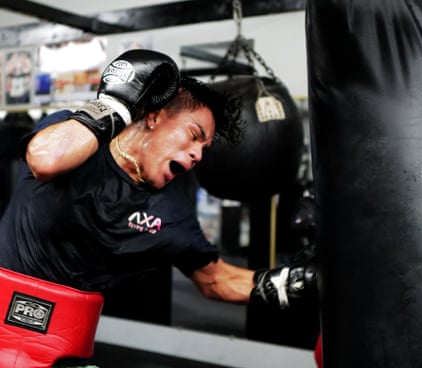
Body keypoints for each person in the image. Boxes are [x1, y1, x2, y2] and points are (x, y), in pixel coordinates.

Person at [0, 49, 316, 367]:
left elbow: (216, 280)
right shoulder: (77, 139)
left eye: (204, 149)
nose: (198, 156)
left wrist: (294, 282)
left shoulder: (170, 214)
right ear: (154, 116)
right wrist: (114, 105)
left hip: (63, 349)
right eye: (194, 136)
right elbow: (46, 159)